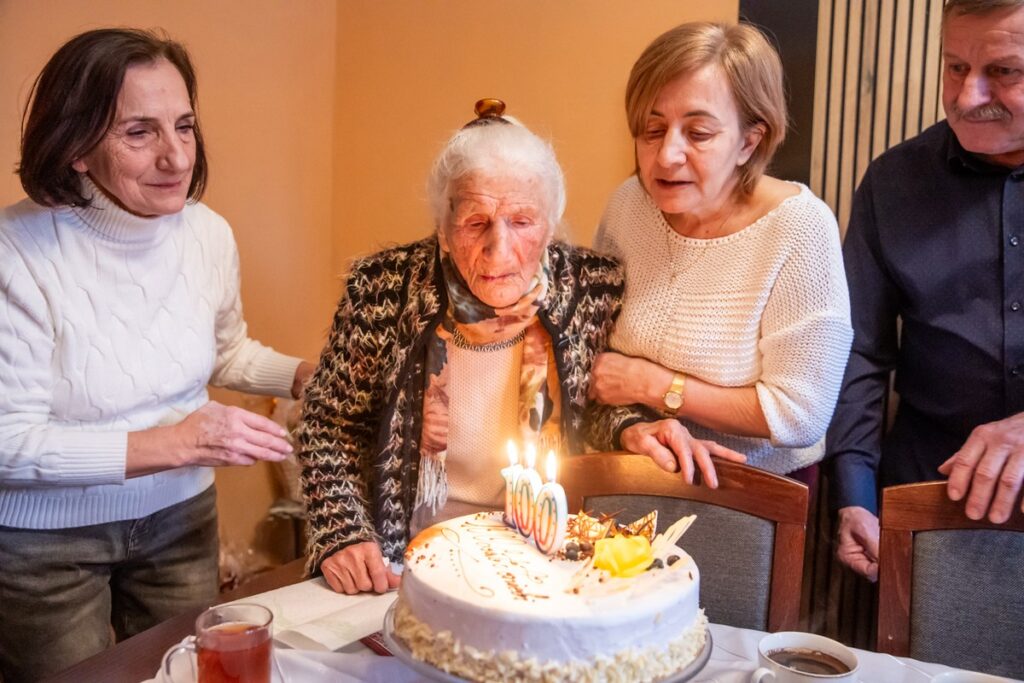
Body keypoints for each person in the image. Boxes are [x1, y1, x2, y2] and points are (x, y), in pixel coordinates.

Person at [297, 100, 744, 596]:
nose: (499, 249)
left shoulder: (590, 289)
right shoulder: (382, 289)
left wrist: (632, 428)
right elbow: (328, 425)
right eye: (475, 223)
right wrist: (342, 532)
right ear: (444, 231)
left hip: (539, 557)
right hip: (403, 559)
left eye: (523, 221)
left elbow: (588, 411)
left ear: (550, 226)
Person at [0, 28, 313, 681]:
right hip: (45, 549)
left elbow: (225, 350)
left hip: (179, 521)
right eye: (139, 132)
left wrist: (301, 374)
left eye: (185, 126)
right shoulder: (17, 252)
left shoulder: (207, 233)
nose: (176, 157)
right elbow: (9, 443)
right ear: (77, 148)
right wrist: (178, 441)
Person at [587, 22, 853, 483]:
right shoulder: (629, 205)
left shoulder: (799, 228)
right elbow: (593, 353)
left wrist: (653, 386)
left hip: (750, 494)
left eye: (698, 133)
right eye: (653, 129)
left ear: (749, 141)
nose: (667, 155)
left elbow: (800, 414)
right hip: (634, 465)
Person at [829, 0, 1024, 582]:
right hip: (922, 505)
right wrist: (855, 494)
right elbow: (859, 349)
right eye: (956, 67)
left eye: (1005, 71)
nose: (967, 97)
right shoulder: (892, 182)